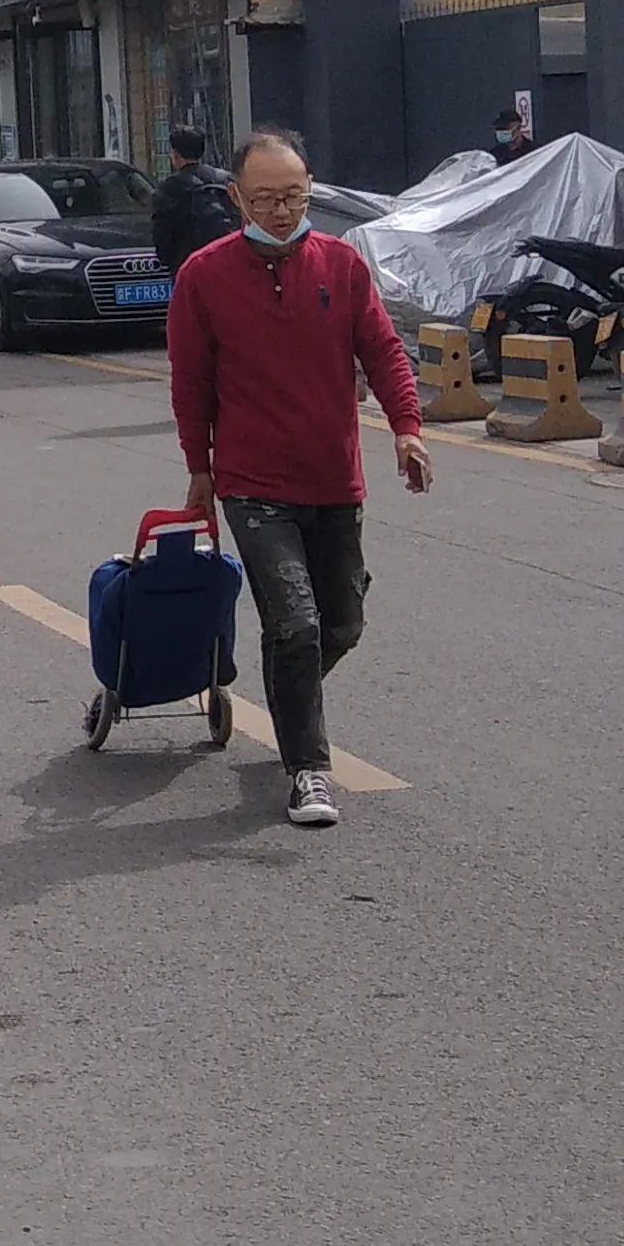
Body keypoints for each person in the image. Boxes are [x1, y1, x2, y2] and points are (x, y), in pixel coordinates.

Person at [167, 125, 428, 829]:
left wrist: (407, 430)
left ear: (311, 187)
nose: (281, 210)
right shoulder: (204, 276)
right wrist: (199, 466)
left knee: (340, 622)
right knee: (297, 621)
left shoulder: (341, 267)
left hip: (333, 478)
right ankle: (308, 770)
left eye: (293, 195)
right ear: (236, 199)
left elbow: (384, 352)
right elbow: (191, 383)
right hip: (253, 484)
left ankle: (287, 691)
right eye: (264, 199)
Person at [149, 125, 241, 279]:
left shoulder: (169, 188)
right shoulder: (226, 180)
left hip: (189, 269)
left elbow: (162, 238)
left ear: (175, 154)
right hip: (229, 263)